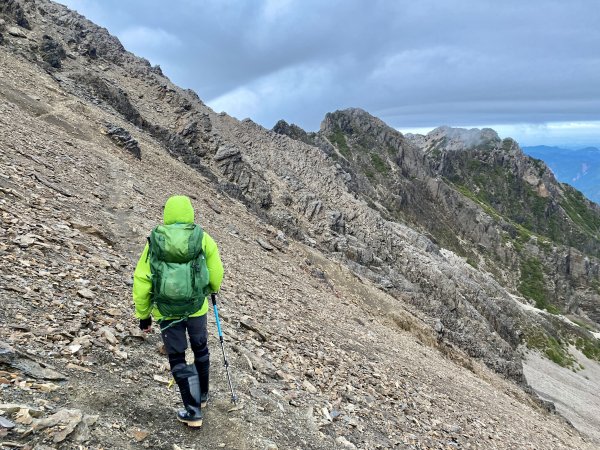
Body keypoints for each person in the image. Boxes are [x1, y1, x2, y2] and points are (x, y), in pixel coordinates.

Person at [132, 195, 224, 427]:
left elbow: (142, 279)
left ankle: (192, 411)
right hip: (196, 308)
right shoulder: (202, 238)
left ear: (167, 214)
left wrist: (144, 316)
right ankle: (202, 396)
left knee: (177, 356)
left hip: (167, 311)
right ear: (190, 213)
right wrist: (211, 288)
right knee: (201, 348)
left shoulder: (155, 240)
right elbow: (215, 271)